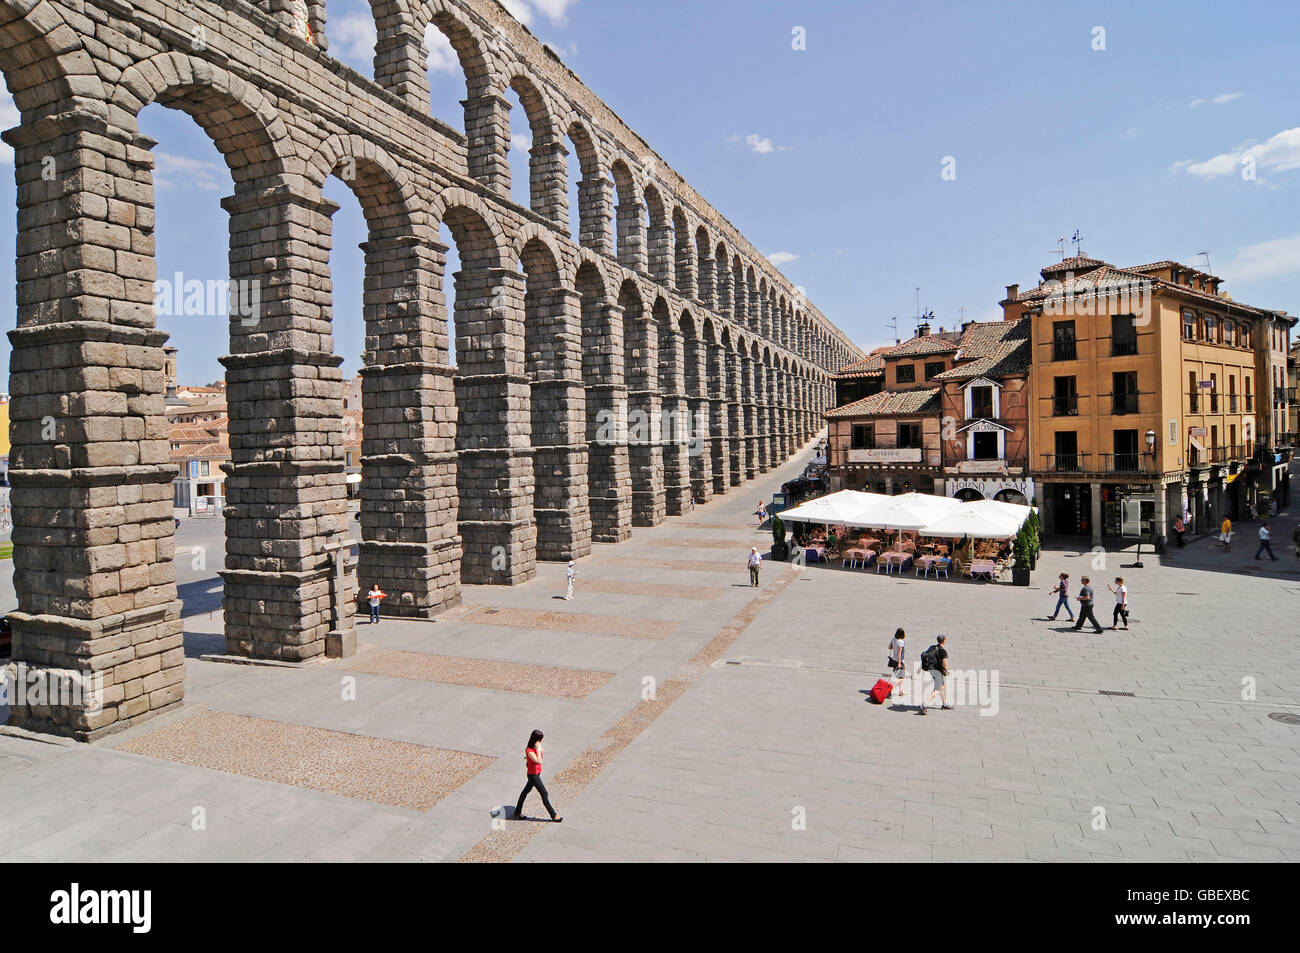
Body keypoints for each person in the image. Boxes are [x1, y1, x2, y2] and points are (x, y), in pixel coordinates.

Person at [514, 729, 562, 822]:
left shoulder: (535, 746)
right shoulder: (530, 750)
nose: (541, 742)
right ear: (536, 739)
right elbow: (539, 761)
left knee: (525, 792)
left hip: (536, 773)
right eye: (540, 740)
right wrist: (539, 750)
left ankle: (517, 812)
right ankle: (554, 815)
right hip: (533, 775)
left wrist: (539, 750)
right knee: (544, 793)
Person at [919, 634, 950, 714]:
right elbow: (944, 664)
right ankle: (925, 703)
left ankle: (944, 704)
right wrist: (946, 670)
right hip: (937, 671)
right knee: (937, 689)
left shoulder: (932, 647)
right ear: (944, 641)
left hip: (931, 669)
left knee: (942, 686)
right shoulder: (943, 651)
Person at [887, 628, 907, 696]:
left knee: (898, 676)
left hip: (893, 660)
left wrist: (894, 645)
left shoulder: (893, 639)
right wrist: (899, 663)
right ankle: (890, 689)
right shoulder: (901, 641)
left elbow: (889, 647)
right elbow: (899, 653)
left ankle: (900, 691)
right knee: (901, 677)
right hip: (899, 661)